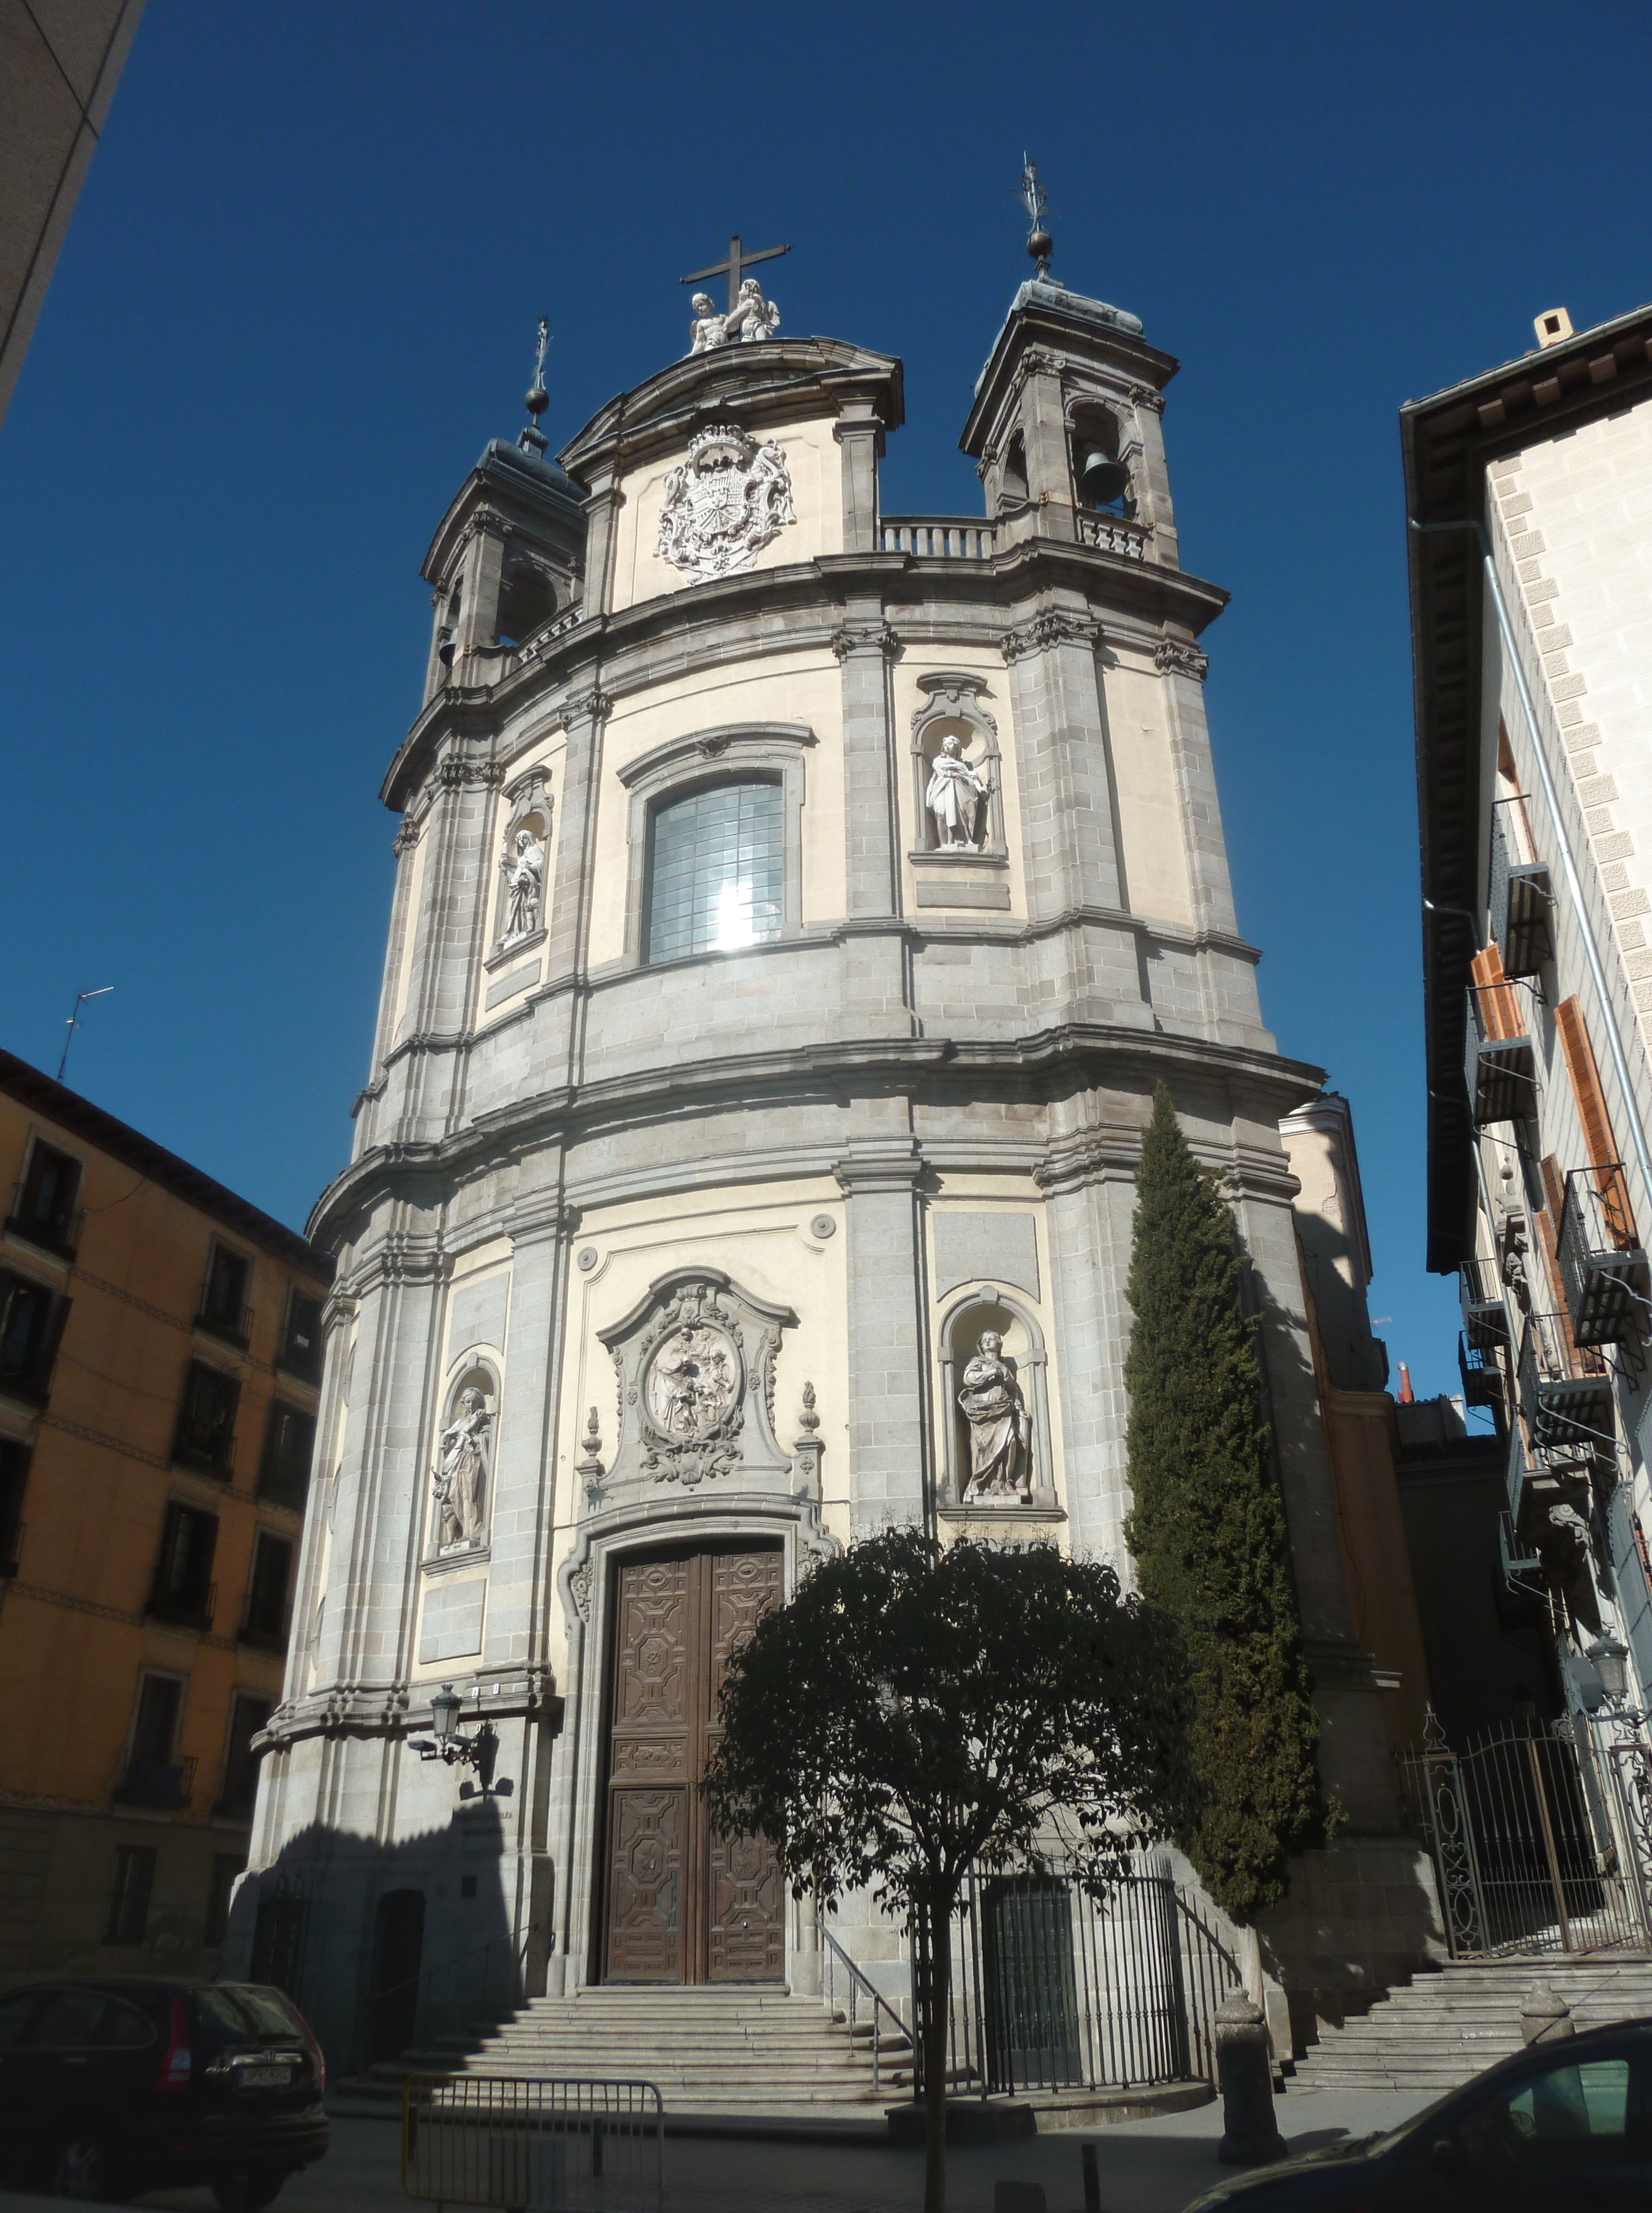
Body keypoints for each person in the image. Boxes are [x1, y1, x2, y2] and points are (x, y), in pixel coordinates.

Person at [959, 1332, 1027, 1502]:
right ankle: (986, 1485)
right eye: (985, 1341)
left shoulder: (1004, 1368)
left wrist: (1019, 1409)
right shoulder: (977, 1362)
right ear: (981, 1346)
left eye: (991, 1339)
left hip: (1004, 1411)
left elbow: (1013, 1391)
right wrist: (989, 1373)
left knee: (1011, 1442)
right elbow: (968, 1379)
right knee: (984, 1448)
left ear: (999, 1344)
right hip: (983, 1413)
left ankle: (1006, 1482)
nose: (988, 1342)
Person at [434, 1388, 491, 1546]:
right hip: (458, 1465)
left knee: (469, 1495)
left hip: (473, 1462)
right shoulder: (460, 1422)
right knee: (455, 1495)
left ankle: (470, 1531)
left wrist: (476, 1439)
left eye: (474, 1402)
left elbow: (488, 1437)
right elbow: (447, 1442)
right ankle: (463, 1529)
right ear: (463, 1403)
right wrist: (447, 1437)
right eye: (468, 1402)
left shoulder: (484, 1420)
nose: (471, 1405)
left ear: (480, 1403)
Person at [926, 734, 989, 850]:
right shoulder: (939, 761)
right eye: (945, 745)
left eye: (950, 744)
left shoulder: (962, 766)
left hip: (961, 792)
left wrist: (980, 789)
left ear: (957, 747)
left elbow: (971, 777)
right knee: (941, 813)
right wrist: (954, 775)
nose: (947, 746)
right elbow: (941, 771)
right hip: (942, 789)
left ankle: (962, 840)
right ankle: (944, 844)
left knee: (962, 814)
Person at [500, 828, 545, 940]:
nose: (521, 840)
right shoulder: (521, 856)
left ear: (529, 839)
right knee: (515, 909)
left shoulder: (532, 850)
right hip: (519, 887)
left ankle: (525, 928)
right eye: (519, 838)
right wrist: (505, 867)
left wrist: (531, 867)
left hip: (528, 886)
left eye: (524, 838)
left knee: (525, 909)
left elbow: (542, 863)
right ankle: (515, 931)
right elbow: (516, 875)